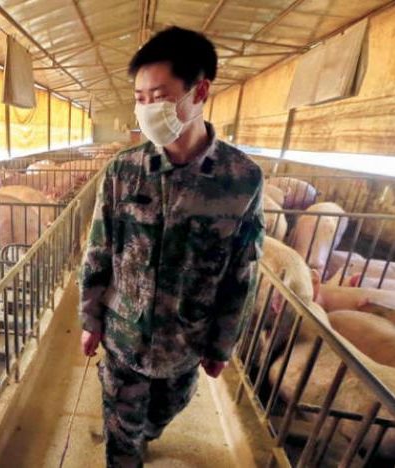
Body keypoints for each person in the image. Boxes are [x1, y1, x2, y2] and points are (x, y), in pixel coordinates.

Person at [78, 26, 264, 467]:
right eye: (140, 98)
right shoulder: (124, 171)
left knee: (163, 414)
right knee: (122, 437)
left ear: (199, 91)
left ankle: (147, 432)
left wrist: (222, 345)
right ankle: (126, 448)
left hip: (185, 342)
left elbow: (242, 271)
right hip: (124, 337)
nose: (147, 109)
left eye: (158, 96)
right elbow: (99, 250)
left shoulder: (241, 179)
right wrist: (90, 319)